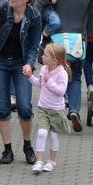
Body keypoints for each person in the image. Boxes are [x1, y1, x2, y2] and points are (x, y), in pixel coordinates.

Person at [0, 0, 43, 165]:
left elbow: (33, 45)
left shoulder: (34, 16)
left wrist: (30, 64)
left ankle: (27, 146)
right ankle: (7, 149)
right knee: (2, 106)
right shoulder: (0, 10)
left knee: (24, 106)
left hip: (20, 64)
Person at [50, 0, 93, 132]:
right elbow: (91, 10)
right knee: (76, 76)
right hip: (78, 37)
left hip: (58, 37)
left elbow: (41, 2)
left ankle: (56, 112)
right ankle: (75, 109)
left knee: (55, 75)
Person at [28, 43, 71, 174]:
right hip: (43, 108)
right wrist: (30, 77)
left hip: (57, 110)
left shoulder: (62, 73)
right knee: (42, 133)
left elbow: (61, 91)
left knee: (53, 136)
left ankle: (51, 161)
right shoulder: (44, 69)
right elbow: (39, 84)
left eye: (45, 55)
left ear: (54, 60)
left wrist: (49, 80)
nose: (42, 56)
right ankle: (39, 161)